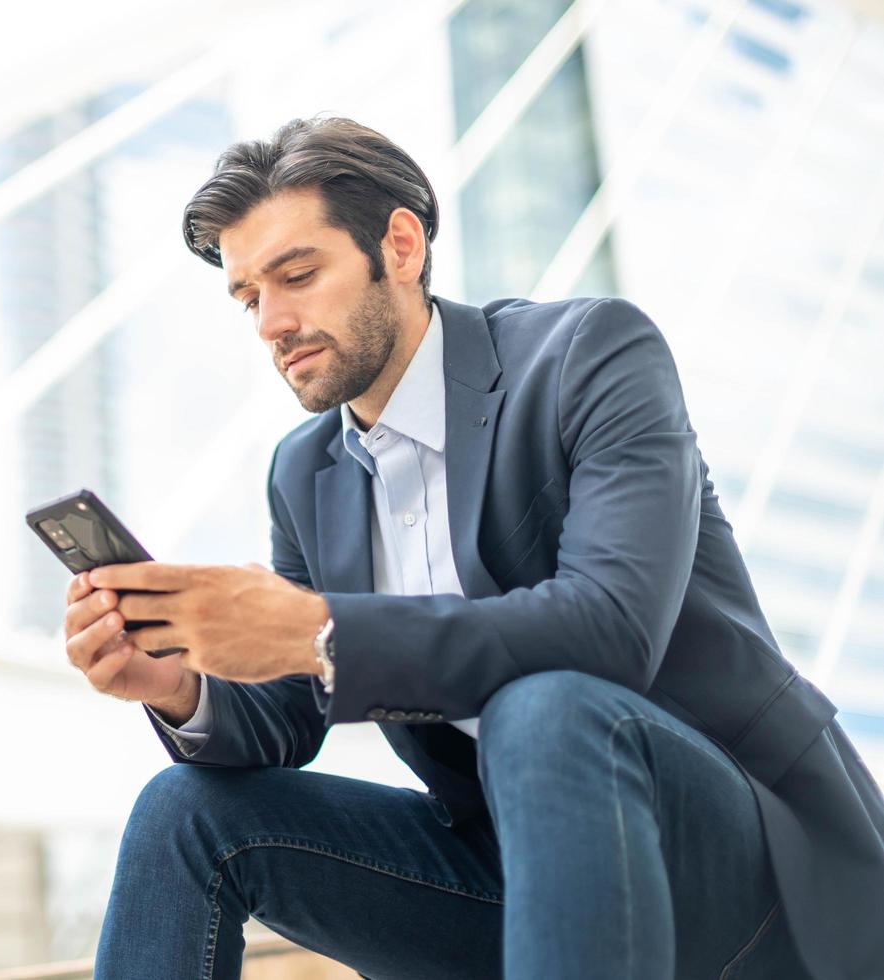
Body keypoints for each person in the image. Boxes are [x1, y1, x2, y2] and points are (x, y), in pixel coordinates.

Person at [61, 117, 884, 979]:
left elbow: (611, 629)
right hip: (518, 881)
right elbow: (292, 716)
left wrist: (316, 631)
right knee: (183, 812)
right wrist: (180, 686)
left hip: (744, 869)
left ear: (402, 245)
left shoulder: (589, 354)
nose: (271, 322)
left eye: (296, 275)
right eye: (247, 298)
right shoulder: (304, 472)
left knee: (547, 705)